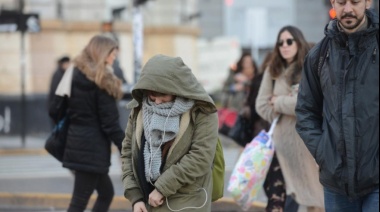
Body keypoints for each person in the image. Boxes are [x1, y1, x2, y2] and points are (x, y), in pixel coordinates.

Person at [296, 1, 379, 211]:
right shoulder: (318, 56)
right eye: (341, 2)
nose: (348, 9)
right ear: (333, 3)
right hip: (336, 183)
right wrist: (324, 153)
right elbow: (306, 111)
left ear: (368, 2)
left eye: (355, 1)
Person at [120, 54, 218, 212]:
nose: (157, 101)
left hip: (186, 203)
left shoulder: (202, 112)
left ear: (177, 89)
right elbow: (127, 153)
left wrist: (162, 188)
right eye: (152, 95)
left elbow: (201, 157)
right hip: (146, 202)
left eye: (163, 95)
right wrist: (135, 196)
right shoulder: (140, 108)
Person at [50, 35, 125, 212]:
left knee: (106, 193)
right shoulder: (102, 80)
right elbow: (110, 123)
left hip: (78, 143)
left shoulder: (75, 72)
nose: (114, 58)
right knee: (78, 203)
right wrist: (127, 147)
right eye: (112, 54)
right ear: (102, 53)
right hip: (91, 150)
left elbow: (54, 109)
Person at [255, 26, 324, 212]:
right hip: (281, 147)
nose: (284, 46)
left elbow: (310, 103)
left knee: (316, 198)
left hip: (309, 145)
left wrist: (278, 102)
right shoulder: (273, 70)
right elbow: (261, 105)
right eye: (280, 42)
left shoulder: (310, 66)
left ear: (298, 42)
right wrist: (286, 106)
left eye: (289, 41)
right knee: (279, 201)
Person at [48, 56, 70, 123]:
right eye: (67, 64)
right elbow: (56, 91)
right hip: (57, 105)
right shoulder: (58, 74)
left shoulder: (63, 73)